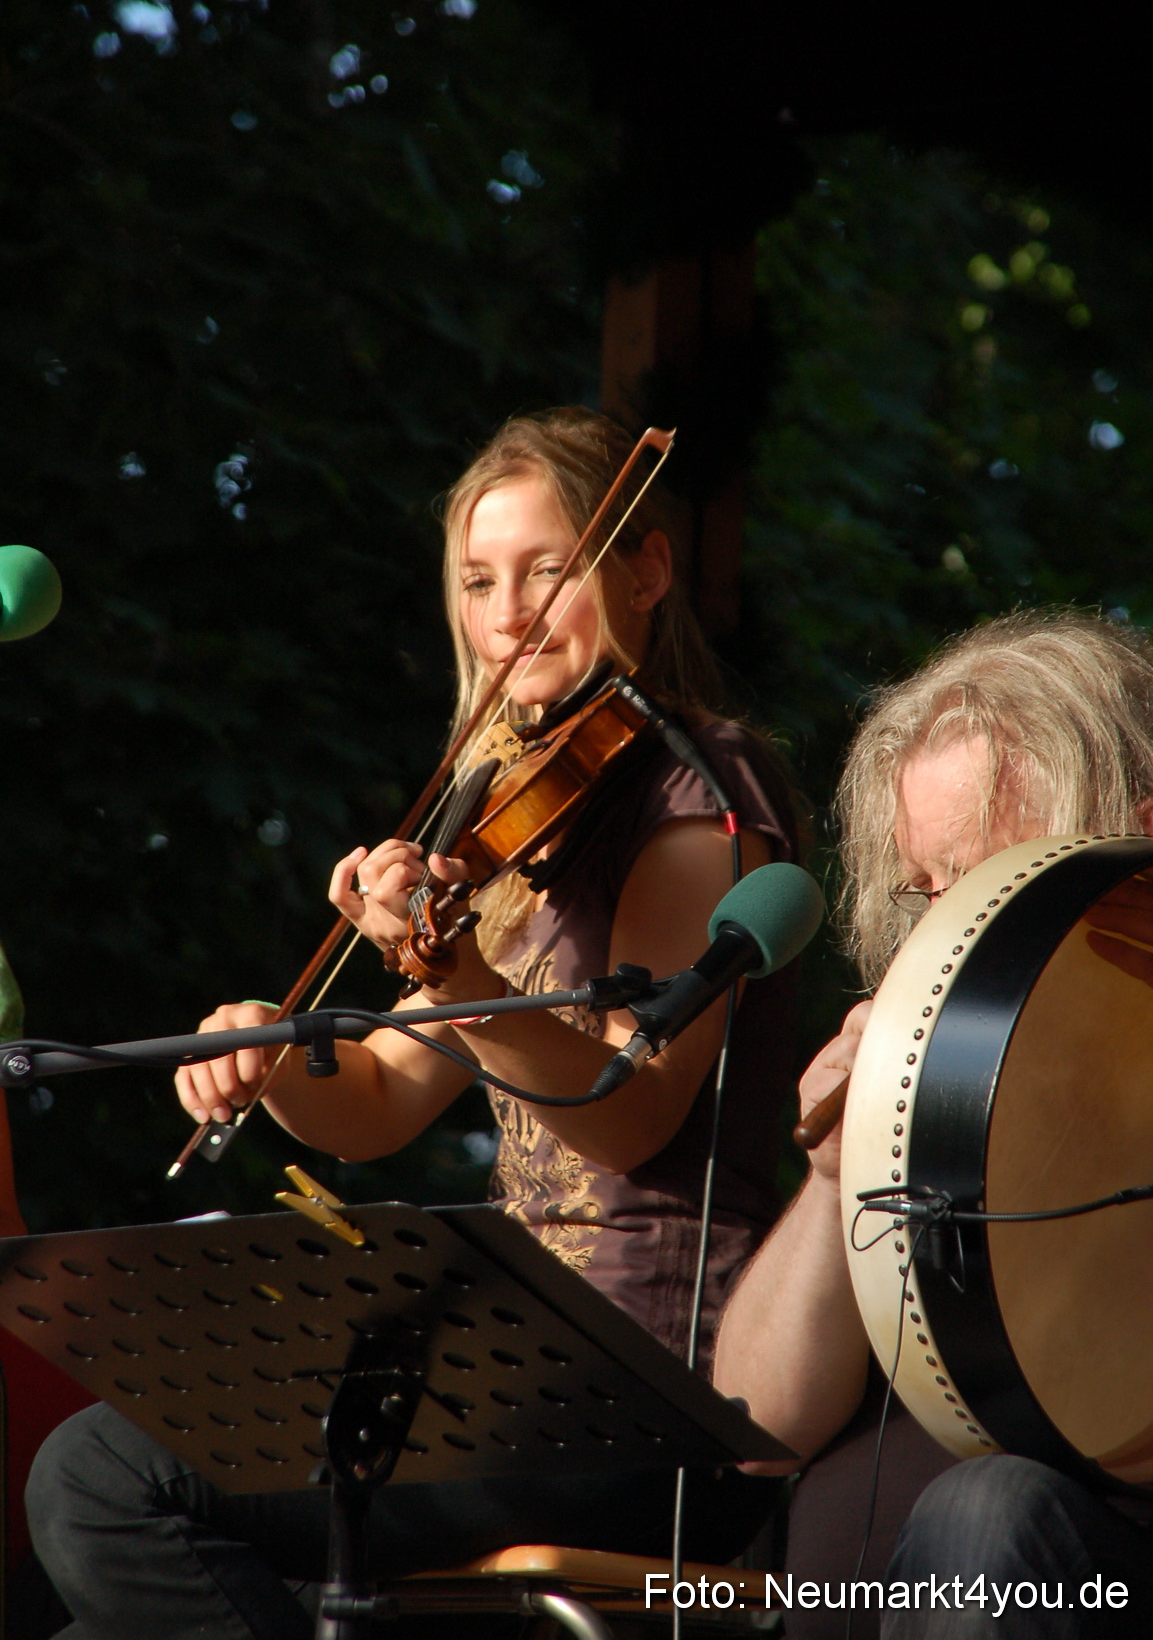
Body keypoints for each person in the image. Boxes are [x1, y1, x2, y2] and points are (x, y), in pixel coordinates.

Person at [27, 408, 802, 1639]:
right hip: (505, 1368)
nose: (510, 612)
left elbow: (628, 1105)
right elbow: (380, 1099)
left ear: (645, 571)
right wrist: (275, 1058)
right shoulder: (510, 807)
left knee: (103, 1479)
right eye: (480, 581)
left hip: (639, 1389)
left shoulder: (692, 790)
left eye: (551, 569)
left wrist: (444, 968)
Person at [713, 608, 1153, 1639]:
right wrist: (832, 1179)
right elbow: (757, 1429)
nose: (942, 921)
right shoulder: (932, 1070)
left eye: (987, 875)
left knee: (987, 1508)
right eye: (926, 890)